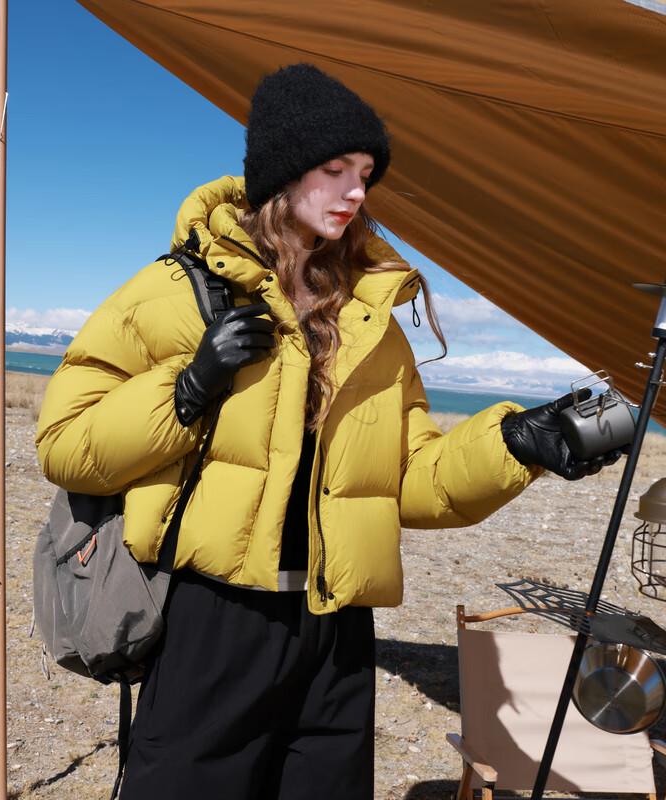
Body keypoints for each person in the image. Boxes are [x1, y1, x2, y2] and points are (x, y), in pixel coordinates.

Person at [35, 63, 623, 800]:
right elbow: (64, 442)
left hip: (338, 631)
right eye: (336, 168)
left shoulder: (368, 321)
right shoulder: (176, 291)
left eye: (366, 174)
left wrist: (514, 447)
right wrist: (187, 388)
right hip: (215, 619)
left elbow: (408, 483)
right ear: (282, 172)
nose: (356, 192)